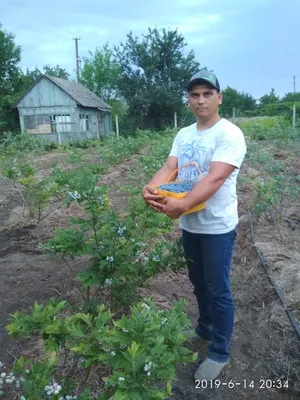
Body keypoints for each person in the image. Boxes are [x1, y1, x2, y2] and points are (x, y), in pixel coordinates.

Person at [142, 70, 247, 381]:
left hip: (216, 227)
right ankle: (204, 328)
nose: (200, 100)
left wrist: (181, 205)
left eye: (207, 94)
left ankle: (219, 352)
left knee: (217, 289)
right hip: (191, 226)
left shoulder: (229, 134)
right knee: (199, 284)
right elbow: (170, 167)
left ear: (219, 97)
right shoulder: (185, 134)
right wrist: (150, 188)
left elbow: (215, 177)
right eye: (194, 95)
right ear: (188, 99)